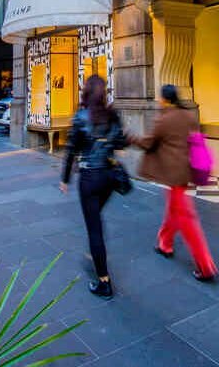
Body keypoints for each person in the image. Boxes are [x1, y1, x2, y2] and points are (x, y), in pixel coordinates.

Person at [130, 84, 218, 282]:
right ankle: (165, 243)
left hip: (173, 173)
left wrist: (130, 138)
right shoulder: (188, 116)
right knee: (174, 210)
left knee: (186, 218)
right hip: (187, 171)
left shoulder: (165, 119)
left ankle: (205, 266)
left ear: (164, 99)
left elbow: (148, 143)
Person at [61, 75, 127, 298]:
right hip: (108, 177)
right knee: (96, 217)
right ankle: (95, 253)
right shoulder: (112, 114)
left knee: (94, 228)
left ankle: (103, 281)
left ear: (86, 92)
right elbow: (120, 143)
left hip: (89, 177)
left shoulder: (81, 116)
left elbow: (71, 149)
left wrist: (64, 179)